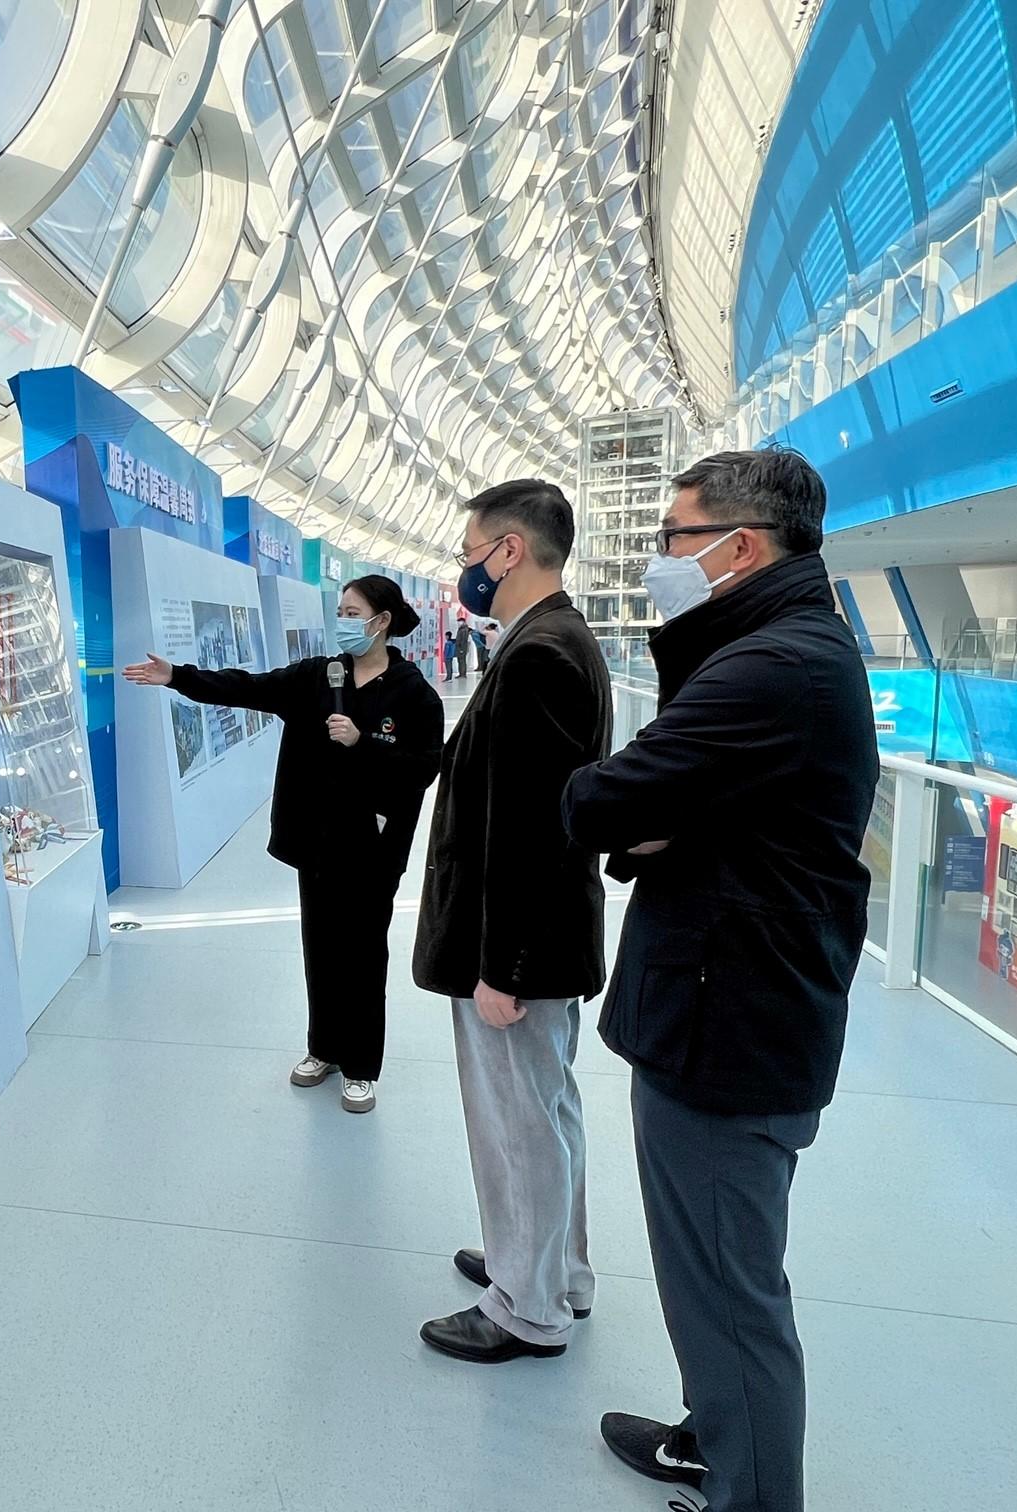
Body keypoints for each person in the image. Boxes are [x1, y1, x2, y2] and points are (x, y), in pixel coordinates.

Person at [560, 448, 878, 1512]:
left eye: (673, 537)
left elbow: (604, 798)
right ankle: (713, 1436)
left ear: (738, 548)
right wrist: (669, 816)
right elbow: (683, 800)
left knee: (732, 1292)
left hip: (729, 1024)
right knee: (705, 1273)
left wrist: (644, 811)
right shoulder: (782, 647)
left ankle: (751, 1496)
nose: (659, 557)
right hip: (727, 999)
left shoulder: (772, 666)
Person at [413, 480, 612, 1365]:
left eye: (470, 551)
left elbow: (529, 831)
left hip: (518, 949)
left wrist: (504, 966)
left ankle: (526, 1307)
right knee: (548, 1108)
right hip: (541, 939)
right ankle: (552, 1267)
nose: (465, 568)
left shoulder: (539, 656)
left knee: (518, 1121)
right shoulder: (555, 639)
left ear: (509, 550)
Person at [123, 577, 443, 1114]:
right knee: (320, 948)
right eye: (340, 611)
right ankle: (325, 1049)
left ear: (382, 620)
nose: (342, 621)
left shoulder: (413, 694)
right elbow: (248, 687)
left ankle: (361, 1066)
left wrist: (362, 744)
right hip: (317, 843)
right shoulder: (317, 677)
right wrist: (178, 676)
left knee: (363, 955)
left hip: (372, 849)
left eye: (352, 612)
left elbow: (424, 769)